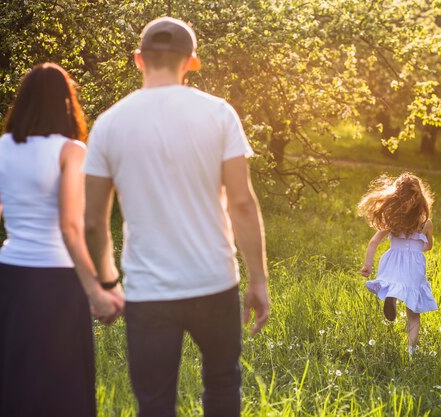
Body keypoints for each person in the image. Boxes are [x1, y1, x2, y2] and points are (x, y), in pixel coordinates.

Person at [83, 17, 270, 417]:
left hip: (149, 292)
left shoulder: (108, 124)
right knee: (223, 387)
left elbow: (94, 221)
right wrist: (258, 280)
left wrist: (107, 282)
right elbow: (242, 202)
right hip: (214, 283)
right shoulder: (220, 114)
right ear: (192, 63)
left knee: (154, 402)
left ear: (138, 60)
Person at [0, 63, 124, 417]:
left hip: (11, 277)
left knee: (14, 389)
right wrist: (97, 291)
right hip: (58, 282)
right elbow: (71, 228)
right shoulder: (72, 150)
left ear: (22, 101)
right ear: (66, 103)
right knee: (60, 392)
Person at [358, 172, 437, 357]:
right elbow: (429, 246)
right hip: (414, 267)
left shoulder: (393, 221)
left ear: (395, 198)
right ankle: (411, 352)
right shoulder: (426, 224)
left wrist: (367, 265)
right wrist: (416, 249)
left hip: (393, 262)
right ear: (421, 200)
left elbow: (373, 242)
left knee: (393, 284)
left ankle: (391, 297)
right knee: (413, 313)